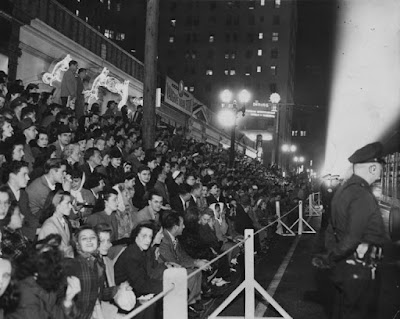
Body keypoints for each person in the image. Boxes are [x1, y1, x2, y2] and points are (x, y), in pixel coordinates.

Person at [314, 142, 388, 319]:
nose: (382, 171)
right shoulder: (361, 195)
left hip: (346, 268)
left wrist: (333, 258)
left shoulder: (345, 190)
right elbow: (353, 238)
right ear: (372, 168)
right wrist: (330, 257)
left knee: (343, 311)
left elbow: (331, 229)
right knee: (357, 313)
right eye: (380, 167)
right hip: (359, 269)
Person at [8, 234, 81, 319]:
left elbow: (54, 313)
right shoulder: (26, 290)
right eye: (46, 256)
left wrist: (68, 300)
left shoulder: (47, 285)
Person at [3, 161, 39, 240]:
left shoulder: (23, 194)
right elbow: (6, 227)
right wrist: (34, 232)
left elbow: (29, 216)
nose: (28, 178)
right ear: (12, 176)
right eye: (24, 175)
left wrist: (42, 226)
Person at [38, 191, 75, 258]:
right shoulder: (49, 226)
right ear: (57, 205)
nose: (71, 206)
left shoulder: (64, 222)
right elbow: (50, 254)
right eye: (67, 203)